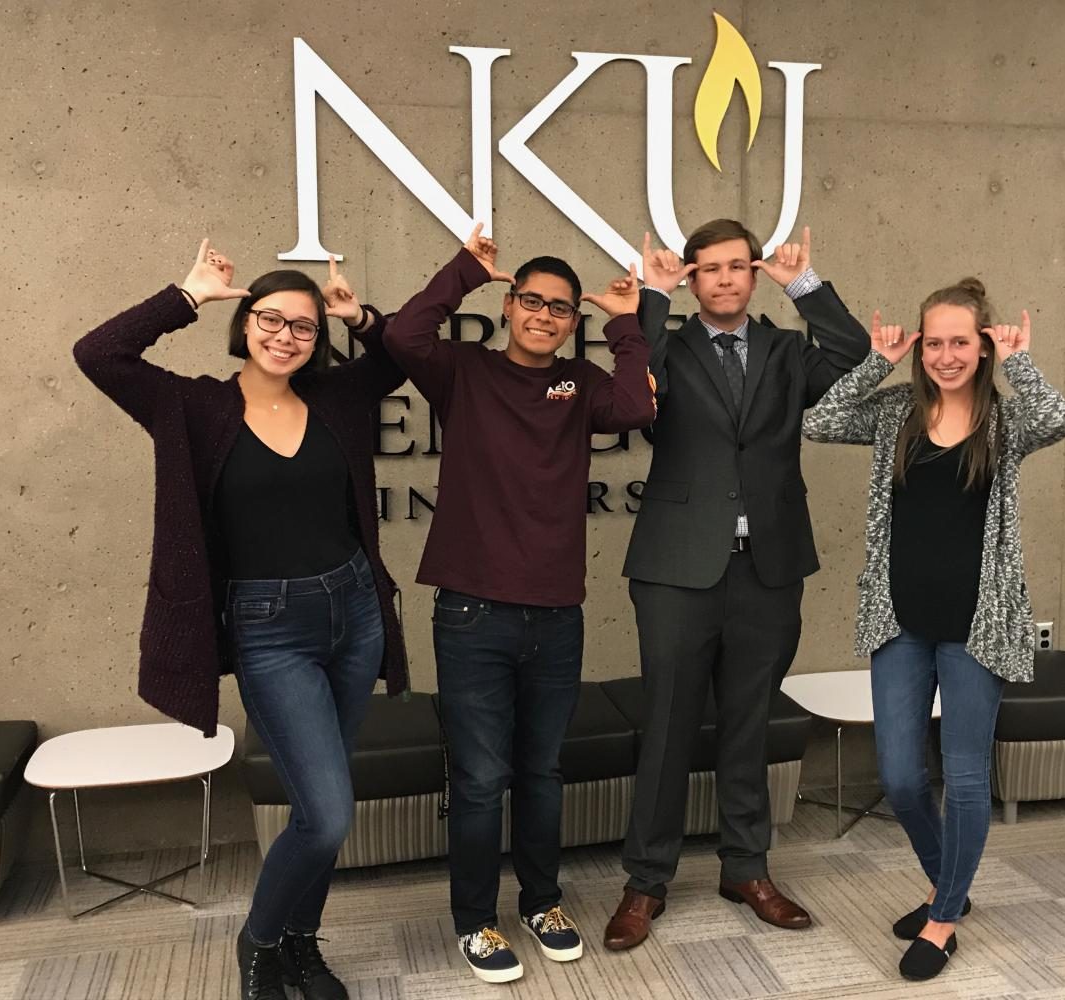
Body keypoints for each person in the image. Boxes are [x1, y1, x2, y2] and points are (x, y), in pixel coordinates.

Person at [74, 242, 408, 1000]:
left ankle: (300, 942)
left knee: (324, 802)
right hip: (269, 626)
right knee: (326, 816)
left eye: (304, 326)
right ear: (245, 324)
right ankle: (258, 943)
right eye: (271, 319)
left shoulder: (337, 400)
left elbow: (396, 359)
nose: (286, 336)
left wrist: (362, 319)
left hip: (355, 612)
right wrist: (187, 294)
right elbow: (98, 353)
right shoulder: (193, 407)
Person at [383, 224, 655, 984]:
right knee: (477, 779)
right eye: (531, 301)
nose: (544, 315)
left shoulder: (580, 386)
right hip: (472, 614)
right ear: (509, 306)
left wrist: (625, 324)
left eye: (560, 308)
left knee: (540, 772)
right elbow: (405, 332)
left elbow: (635, 406)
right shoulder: (462, 372)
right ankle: (475, 920)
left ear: (573, 321)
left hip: (554, 615)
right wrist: (464, 268)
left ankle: (542, 901)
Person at [604, 221, 870, 950]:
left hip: (767, 568)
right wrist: (652, 294)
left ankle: (745, 868)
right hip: (675, 570)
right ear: (691, 278)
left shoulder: (788, 352)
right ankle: (645, 882)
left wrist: (802, 285)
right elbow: (632, 374)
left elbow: (851, 355)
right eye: (707, 270)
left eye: (736, 268)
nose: (722, 280)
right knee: (665, 728)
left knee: (749, 724)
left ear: (752, 275)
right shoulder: (665, 343)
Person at [802, 279, 1065, 981]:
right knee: (897, 778)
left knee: (960, 780)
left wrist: (1017, 364)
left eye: (960, 341)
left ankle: (943, 915)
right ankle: (947, 886)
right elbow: (819, 419)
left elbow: (1059, 418)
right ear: (918, 345)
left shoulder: (1004, 421)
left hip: (976, 627)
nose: (945, 356)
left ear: (981, 343)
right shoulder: (896, 410)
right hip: (899, 621)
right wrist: (875, 361)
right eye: (934, 342)